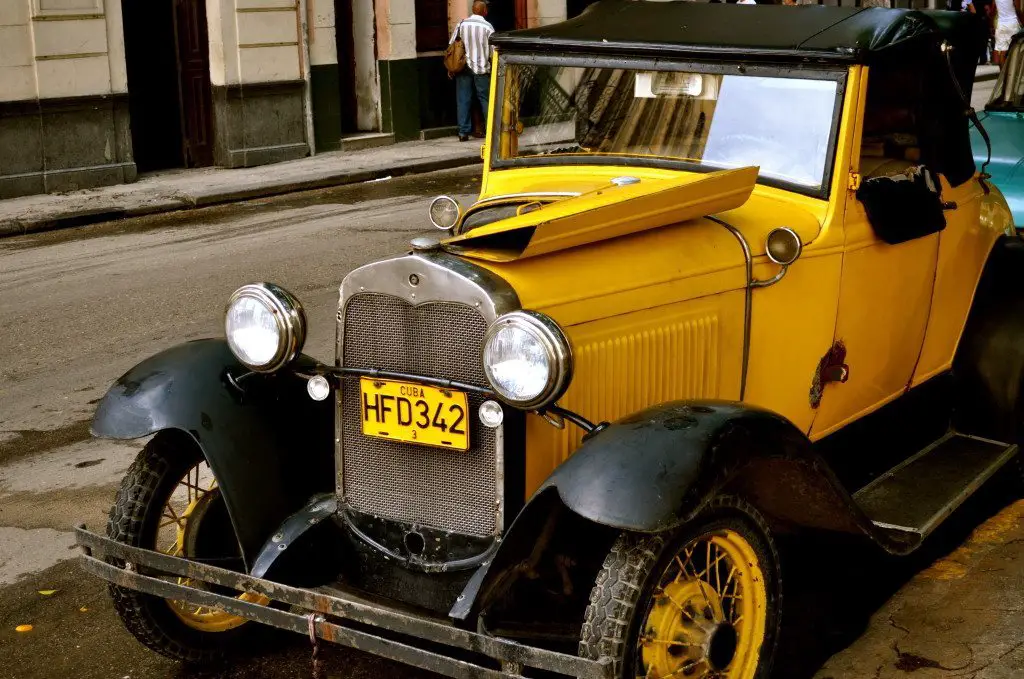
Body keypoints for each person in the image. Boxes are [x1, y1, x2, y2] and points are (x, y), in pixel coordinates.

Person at [450, 2, 495, 142]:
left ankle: (463, 132)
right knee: (486, 99)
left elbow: (452, 44)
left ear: (473, 10)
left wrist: (451, 67)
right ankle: (490, 131)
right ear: (485, 11)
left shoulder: (461, 24)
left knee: (463, 99)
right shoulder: (488, 27)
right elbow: (493, 52)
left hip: (463, 68)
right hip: (481, 68)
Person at [993, 0, 1022, 65]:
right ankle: (1011, 73)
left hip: (1000, 25)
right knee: (1015, 50)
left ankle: (1002, 74)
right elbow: (1018, 10)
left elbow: (994, 9)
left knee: (1002, 51)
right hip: (1013, 24)